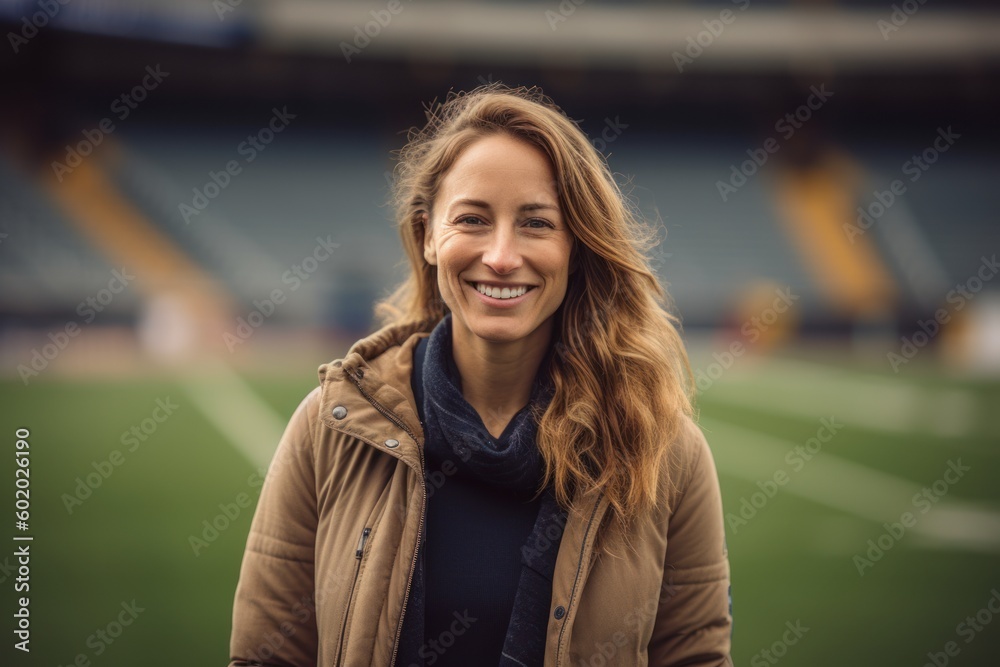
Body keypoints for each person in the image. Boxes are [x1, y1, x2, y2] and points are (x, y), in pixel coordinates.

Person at [228, 83, 732, 666]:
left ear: (577, 247)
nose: (500, 255)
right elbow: (266, 658)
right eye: (472, 219)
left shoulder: (665, 453)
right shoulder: (329, 428)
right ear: (428, 237)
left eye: (537, 224)